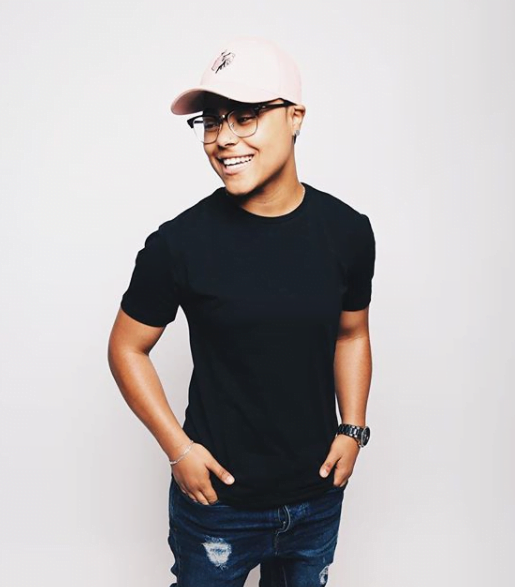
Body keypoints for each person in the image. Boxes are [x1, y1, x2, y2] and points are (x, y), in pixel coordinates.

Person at [108, 35, 376, 587]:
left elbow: (351, 334)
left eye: (245, 116)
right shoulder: (178, 244)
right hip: (218, 505)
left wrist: (352, 429)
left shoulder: (348, 231)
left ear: (295, 117)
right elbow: (126, 348)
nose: (223, 139)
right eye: (211, 122)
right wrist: (179, 450)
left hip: (317, 497)